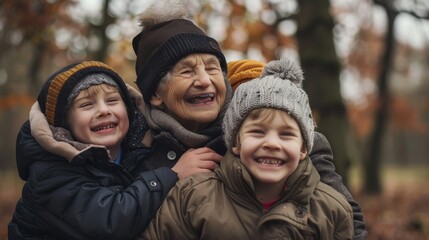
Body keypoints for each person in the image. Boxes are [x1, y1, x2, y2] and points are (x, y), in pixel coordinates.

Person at [11, 0, 366, 238]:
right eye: (186, 70)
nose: (204, 80)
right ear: (155, 94)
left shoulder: (275, 134)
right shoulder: (134, 147)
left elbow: (349, 222)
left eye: (212, 68)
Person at [140, 58, 354, 240]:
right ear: (235, 143)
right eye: (257, 132)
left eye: (286, 134)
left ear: (304, 148)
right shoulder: (193, 197)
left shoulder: (330, 209)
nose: (271, 143)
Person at [8, 61, 207, 240]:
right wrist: (171, 174)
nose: (104, 110)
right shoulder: (50, 172)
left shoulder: (135, 150)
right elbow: (110, 222)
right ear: (64, 124)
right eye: (86, 105)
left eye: (112, 101)